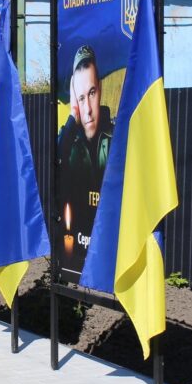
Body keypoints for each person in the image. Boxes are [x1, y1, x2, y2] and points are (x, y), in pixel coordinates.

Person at [56, 45, 113, 272]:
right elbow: (53, 163)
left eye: (91, 93)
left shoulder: (118, 138)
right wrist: (72, 115)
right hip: (78, 250)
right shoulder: (70, 141)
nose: (87, 109)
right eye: (80, 98)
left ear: (100, 89)